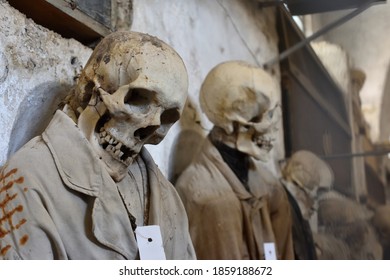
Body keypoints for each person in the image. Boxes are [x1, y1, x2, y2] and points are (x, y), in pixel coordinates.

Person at [0, 31, 195, 260]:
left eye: (166, 116)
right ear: (89, 89)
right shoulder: (29, 180)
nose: (150, 127)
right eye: (136, 100)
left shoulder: (167, 199)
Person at [175, 61, 294, 260]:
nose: (273, 127)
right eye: (260, 116)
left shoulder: (269, 188)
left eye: (273, 113)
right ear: (229, 121)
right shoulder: (205, 197)